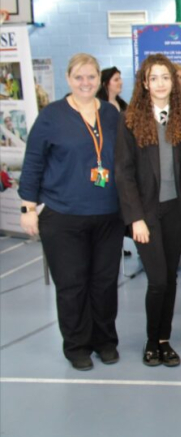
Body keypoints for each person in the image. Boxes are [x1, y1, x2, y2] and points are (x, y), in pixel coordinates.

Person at [19, 53, 124, 370]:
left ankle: (105, 341)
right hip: (63, 216)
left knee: (104, 283)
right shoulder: (52, 116)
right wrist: (27, 208)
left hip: (108, 215)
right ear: (68, 79)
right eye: (79, 77)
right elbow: (33, 162)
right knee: (72, 284)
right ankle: (77, 346)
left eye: (91, 77)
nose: (85, 83)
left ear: (99, 80)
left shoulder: (111, 114)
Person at [115, 53, 181, 367]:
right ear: (144, 84)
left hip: (176, 210)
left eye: (165, 77)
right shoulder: (131, 119)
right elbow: (123, 172)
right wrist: (135, 218)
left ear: (173, 82)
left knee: (170, 279)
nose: (160, 83)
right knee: (157, 279)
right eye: (154, 78)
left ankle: (164, 340)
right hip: (146, 214)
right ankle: (150, 340)